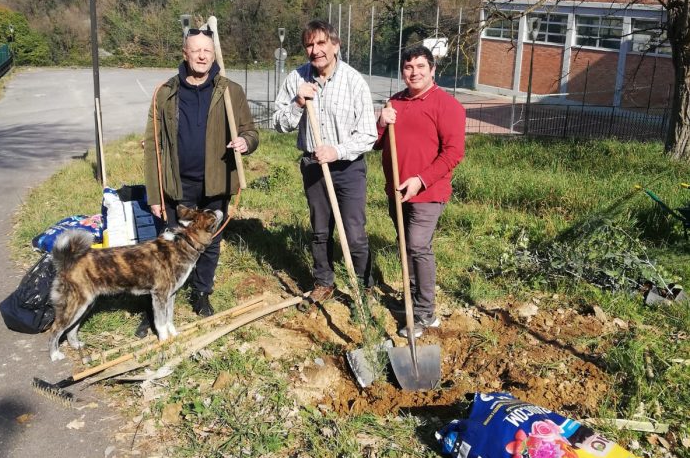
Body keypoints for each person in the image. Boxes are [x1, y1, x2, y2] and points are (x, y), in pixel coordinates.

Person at [144, 28, 258, 317]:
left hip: (214, 182)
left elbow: (250, 131)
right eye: (196, 50)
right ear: (185, 54)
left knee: (210, 241)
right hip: (176, 182)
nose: (202, 55)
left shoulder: (230, 91)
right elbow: (153, 147)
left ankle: (201, 292)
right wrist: (155, 195)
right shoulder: (165, 93)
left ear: (214, 54)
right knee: (169, 241)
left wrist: (246, 142)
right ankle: (161, 300)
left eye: (207, 50)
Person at [273, 19, 377, 302]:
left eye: (321, 43)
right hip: (313, 167)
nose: (315, 50)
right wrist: (297, 103)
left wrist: (338, 151)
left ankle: (363, 287)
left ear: (335, 45)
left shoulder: (354, 81)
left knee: (354, 232)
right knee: (320, 230)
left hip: (348, 167)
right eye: (309, 44)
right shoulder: (296, 79)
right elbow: (278, 123)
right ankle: (323, 282)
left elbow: (368, 133)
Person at [376, 44, 465, 337]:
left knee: (417, 246)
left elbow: (453, 153)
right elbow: (376, 142)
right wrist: (380, 122)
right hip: (397, 191)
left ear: (432, 70)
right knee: (405, 246)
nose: (413, 73)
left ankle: (425, 312)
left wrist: (420, 180)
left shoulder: (447, 105)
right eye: (408, 67)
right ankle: (412, 301)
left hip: (428, 192)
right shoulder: (395, 102)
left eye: (420, 67)